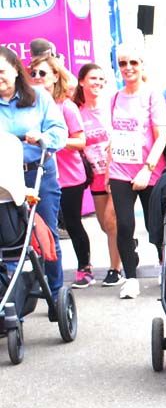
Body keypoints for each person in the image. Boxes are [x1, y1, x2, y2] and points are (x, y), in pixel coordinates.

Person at [0, 48, 67, 294]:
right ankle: (11, 291)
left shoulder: (39, 97)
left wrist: (42, 137)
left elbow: (60, 133)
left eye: (2, 72)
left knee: (46, 230)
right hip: (5, 178)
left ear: (16, 70)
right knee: (9, 238)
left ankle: (55, 288)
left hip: (37, 171)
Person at [108, 45, 166, 300]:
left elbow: (161, 135)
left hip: (150, 170)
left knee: (156, 226)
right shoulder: (115, 97)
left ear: (142, 64)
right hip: (120, 170)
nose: (128, 68)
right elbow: (115, 135)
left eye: (133, 62)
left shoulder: (152, 95)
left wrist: (148, 168)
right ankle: (131, 277)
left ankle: (165, 268)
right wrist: (107, 171)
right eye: (123, 63)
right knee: (124, 224)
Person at [28, 55, 93, 288]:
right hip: (41, 174)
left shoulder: (66, 107)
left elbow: (81, 141)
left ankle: (84, 267)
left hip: (69, 176)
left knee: (72, 223)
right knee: (38, 227)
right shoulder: (29, 107)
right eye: (32, 73)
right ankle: (40, 275)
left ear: (55, 76)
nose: (36, 78)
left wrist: (53, 140)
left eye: (42, 73)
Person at [73, 63, 123, 286]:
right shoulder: (77, 111)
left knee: (112, 222)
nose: (98, 83)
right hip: (94, 175)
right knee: (105, 225)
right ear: (81, 81)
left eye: (101, 79)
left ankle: (115, 269)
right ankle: (128, 246)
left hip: (117, 173)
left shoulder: (110, 107)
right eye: (93, 78)